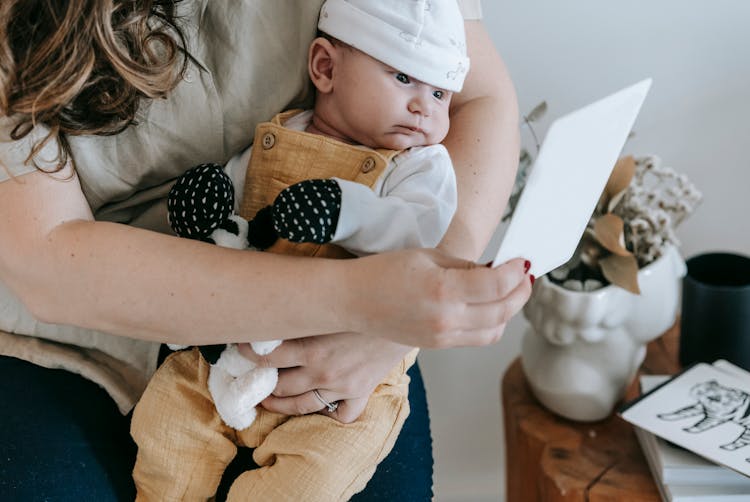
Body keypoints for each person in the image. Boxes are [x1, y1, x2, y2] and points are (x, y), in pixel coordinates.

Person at [0, 0, 530, 500]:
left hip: (352, 311)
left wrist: (416, 300)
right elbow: (49, 258)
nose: (425, 103)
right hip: (75, 336)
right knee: (165, 456)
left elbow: (483, 100)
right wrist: (361, 299)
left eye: (435, 92)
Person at [131, 1, 470, 498]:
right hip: (234, 346)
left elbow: (420, 235)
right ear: (326, 68)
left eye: (440, 93)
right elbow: (243, 209)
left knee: (311, 479)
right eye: (404, 79)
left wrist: (344, 210)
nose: (425, 107)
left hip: (344, 377)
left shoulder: (420, 167)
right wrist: (208, 222)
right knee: (167, 429)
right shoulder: (280, 134)